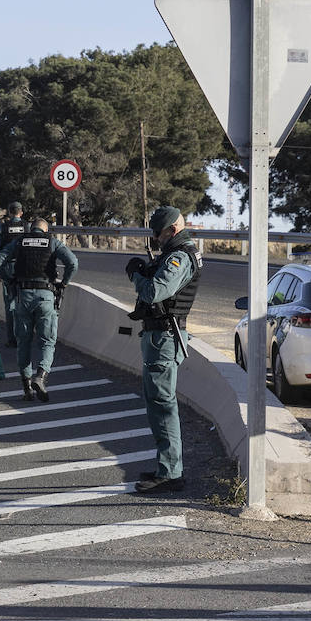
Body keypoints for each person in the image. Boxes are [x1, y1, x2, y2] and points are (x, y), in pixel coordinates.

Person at [126, 206, 200, 494]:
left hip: (165, 337)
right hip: (161, 336)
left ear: (173, 229)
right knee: (158, 403)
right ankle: (166, 467)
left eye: (158, 233)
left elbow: (154, 292)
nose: (155, 239)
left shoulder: (180, 257)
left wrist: (135, 275)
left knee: (162, 404)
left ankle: (171, 473)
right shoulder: (173, 254)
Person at [0, 218, 78, 402]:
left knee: (23, 342)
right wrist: (63, 283)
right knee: (47, 341)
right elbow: (73, 263)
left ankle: (27, 390)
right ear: (46, 230)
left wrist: (10, 279)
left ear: (31, 228)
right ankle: (40, 376)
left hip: (23, 296)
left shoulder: (19, 241)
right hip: (46, 296)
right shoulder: (52, 242)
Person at [0, 202, 28, 346]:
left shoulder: (3, 227)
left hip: (7, 269)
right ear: (21, 213)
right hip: (22, 269)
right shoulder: (26, 227)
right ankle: (23, 336)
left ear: (9, 213)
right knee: (23, 303)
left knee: (10, 305)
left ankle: (12, 339)